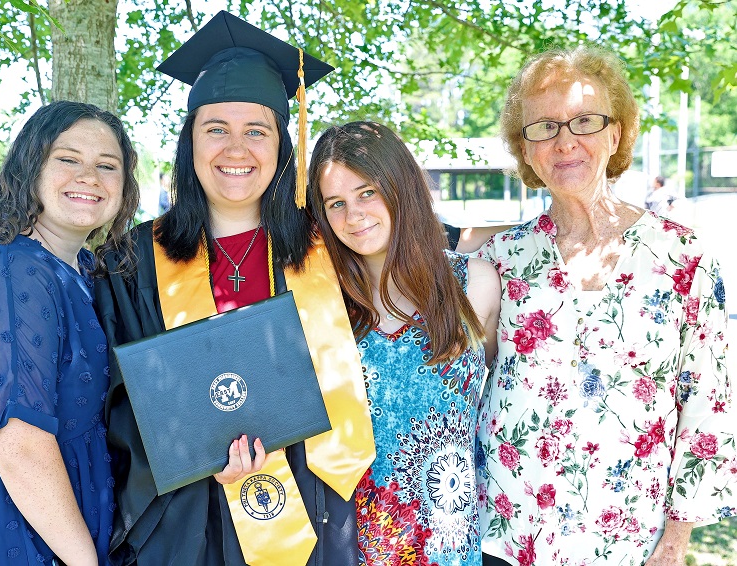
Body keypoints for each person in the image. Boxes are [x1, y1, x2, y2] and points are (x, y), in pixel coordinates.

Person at [94, 11, 374, 565]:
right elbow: (114, 401)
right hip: (185, 516)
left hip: (313, 503)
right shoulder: (131, 262)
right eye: (215, 128)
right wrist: (192, 444)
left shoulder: (329, 247)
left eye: (257, 130)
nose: (236, 148)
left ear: (282, 145)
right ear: (189, 142)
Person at [475, 46, 734, 566]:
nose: (565, 140)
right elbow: (456, 376)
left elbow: (708, 403)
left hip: (630, 540)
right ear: (525, 150)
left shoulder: (684, 256)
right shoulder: (499, 261)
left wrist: (677, 538)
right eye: (543, 127)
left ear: (614, 134)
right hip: (509, 536)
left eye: (584, 121)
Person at [0, 100, 140, 565]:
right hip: (6, 519)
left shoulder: (73, 266)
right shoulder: (15, 271)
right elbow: (20, 446)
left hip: (58, 506)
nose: (89, 177)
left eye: (107, 165)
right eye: (67, 159)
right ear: (30, 169)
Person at [307, 121, 501, 565]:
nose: (353, 216)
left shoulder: (475, 284)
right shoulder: (322, 302)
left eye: (367, 192)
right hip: (349, 542)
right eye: (336, 203)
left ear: (401, 186)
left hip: (450, 540)